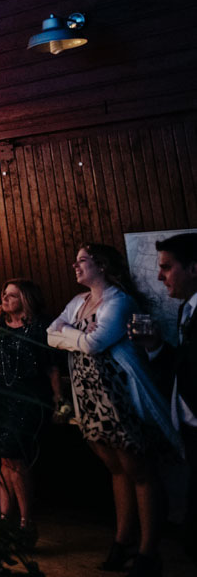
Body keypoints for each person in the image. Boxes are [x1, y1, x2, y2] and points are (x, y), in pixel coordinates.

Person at [48, 244, 179, 577]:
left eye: (82, 261)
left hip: (119, 397)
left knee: (140, 471)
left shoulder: (118, 301)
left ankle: (149, 551)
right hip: (88, 398)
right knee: (116, 470)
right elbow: (50, 334)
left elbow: (97, 343)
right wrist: (76, 332)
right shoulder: (78, 303)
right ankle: (122, 542)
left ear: (102, 266)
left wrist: (70, 334)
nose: (75, 266)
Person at [0, 278, 60, 542]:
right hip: (4, 397)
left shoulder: (40, 327)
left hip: (31, 397)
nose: (5, 299)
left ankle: (27, 522)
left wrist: (58, 400)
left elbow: (52, 367)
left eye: (12, 296)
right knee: (4, 458)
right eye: (4, 294)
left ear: (26, 299)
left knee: (17, 458)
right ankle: (5, 519)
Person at [146, 233, 197, 568]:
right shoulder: (186, 310)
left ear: (193, 268)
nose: (160, 276)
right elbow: (184, 366)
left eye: (166, 267)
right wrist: (154, 347)